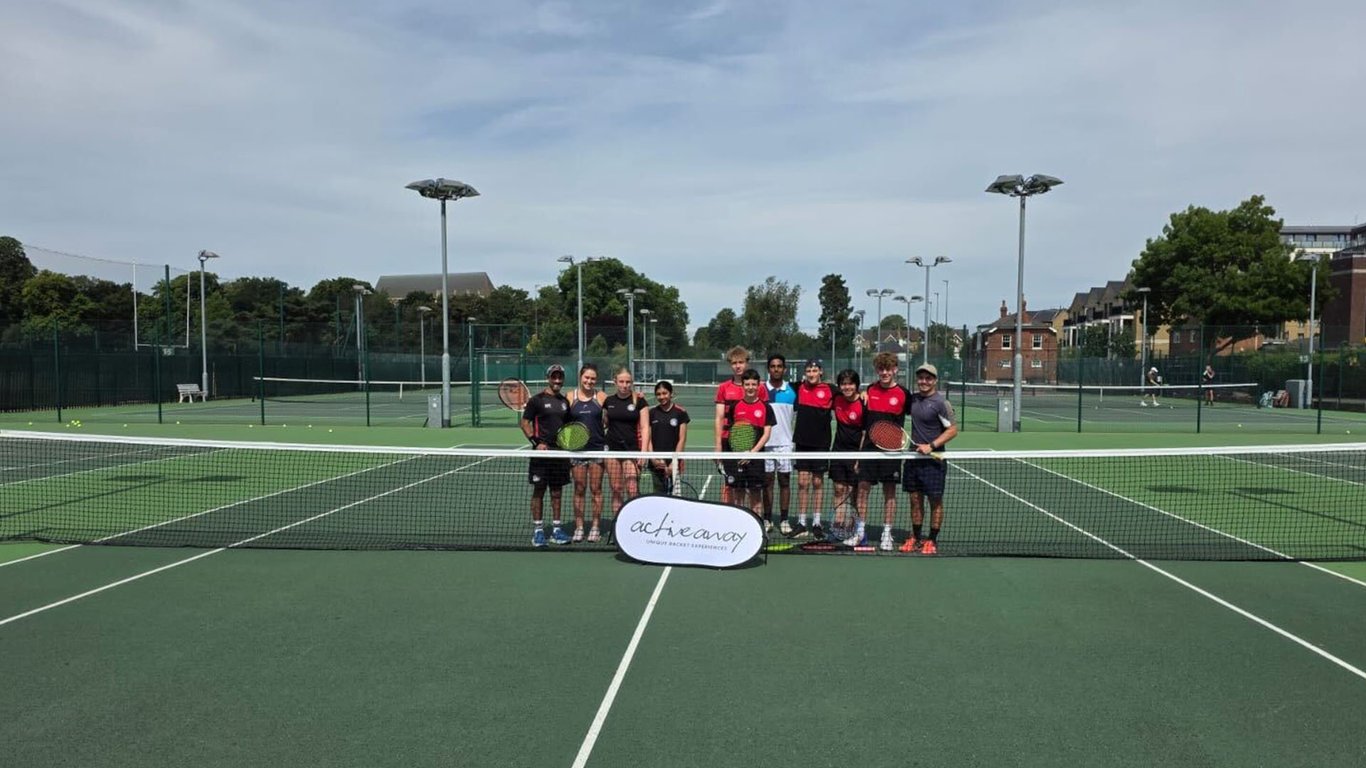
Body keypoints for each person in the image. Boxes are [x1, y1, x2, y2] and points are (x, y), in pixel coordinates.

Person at [900, 363, 958, 554]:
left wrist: (931, 446)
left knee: (935, 500)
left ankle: (932, 540)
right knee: (915, 500)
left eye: (928, 378)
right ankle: (916, 537)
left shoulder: (942, 403)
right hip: (913, 459)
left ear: (935, 380)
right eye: (921, 378)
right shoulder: (913, 399)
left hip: (934, 459)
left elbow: (952, 430)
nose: (924, 382)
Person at [859, 352, 911, 551]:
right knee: (863, 489)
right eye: (881, 369)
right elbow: (865, 426)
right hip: (869, 450)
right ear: (877, 370)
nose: (885, 373)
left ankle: (886, 533)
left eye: (888, 369)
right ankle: (860, 531)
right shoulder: (870, 390)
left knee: (889, 492)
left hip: (892, 451)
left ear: (895, 370)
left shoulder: (904, 394)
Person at [520, 364, 572, 547]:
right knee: (539, 491)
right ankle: (538, 531)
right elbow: (524, 422)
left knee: (557, 492)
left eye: (560, 377)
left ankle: (557, 530)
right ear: (548, 378)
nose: (557, 380)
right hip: (541, 455)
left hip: (560, 453)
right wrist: (536, 442)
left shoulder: (565, 402)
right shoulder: (537, 400)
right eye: (554, 377)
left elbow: (568, 427)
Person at [714, 346, 768, 505]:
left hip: (753, 445)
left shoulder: (760, 388)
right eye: (734, 363)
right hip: (729, 443)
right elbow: (719, 417)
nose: (738, 366)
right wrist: (718, 445)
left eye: (741, 362)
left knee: (754, 488)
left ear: (747, 363)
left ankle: (755, 520)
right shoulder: (724, 388)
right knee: (732, 486)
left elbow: (764, 416)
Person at [717, 369, 774, 518]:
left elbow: (767, 434)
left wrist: (752, 453)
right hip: (738, 458)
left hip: (756, 459)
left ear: (758, 386)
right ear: (742, 385)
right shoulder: (735, 406)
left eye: (753, 384)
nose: (750, 387)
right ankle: (739, 525)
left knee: (756, 495)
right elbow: (733, 431)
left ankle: (757, 526)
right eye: (747, 384)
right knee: (738, 494)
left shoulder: (766, 407)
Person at [791, 358, 834, 538]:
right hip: (802, 442)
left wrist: (864, 394)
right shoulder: (798, 387)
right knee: (802, 483)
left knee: (817, 483)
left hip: (821, 443)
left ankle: (817, 521)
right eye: (808, 371)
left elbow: (852, 393)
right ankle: (802, 522)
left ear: (820, 372)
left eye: (814, 370)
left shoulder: (831, 389)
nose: (811, 374)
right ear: (805, 373)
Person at [567, 363, 608, 543]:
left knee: (596, 489)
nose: (589, 381)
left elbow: (610, 416)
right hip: (577, 451)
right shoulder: (570, 397)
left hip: (598, 449)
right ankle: (579, 527)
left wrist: (636, 397)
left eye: (593, 378)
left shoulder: (601, 397)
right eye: (586, 377)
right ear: (580, 377)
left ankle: (596, 527)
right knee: (579, 489)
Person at [603, 368, 648, 519]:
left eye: (628, 382)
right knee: (616, 489)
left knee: (633, 489)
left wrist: (644, 452)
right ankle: (617, 523)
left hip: (631, 451)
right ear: (615, 382)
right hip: (612, 451)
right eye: (621, 381)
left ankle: (635, 522)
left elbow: (645, 428)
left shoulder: (640, 401)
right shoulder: (608, 401)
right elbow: (604, 423)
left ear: (632, 383)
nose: (625, 385)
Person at [828, 369, 865, 544]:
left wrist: (859, 458)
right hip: (838, 451)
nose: (847, 387)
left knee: (854, 493)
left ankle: (855, 529)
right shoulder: (836, 398)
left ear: (856, 385)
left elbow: (865, 433)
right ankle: (838, 526)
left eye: (850, 383)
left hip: (855, 453)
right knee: (838, 490)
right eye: (843, 384)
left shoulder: (864, 403)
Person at [762, 354, 798, 534]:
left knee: (785, 482)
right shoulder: (761, 390)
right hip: (765, 444)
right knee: (767, 482)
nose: (776, 369)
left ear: (784, 369)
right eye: (773, 366)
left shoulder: (792, 391)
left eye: (779, 366)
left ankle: (784, 520)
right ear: (768, 369)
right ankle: (767, 519)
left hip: (785, 445)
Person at [641, 380, 690, 494]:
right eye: (658, 394)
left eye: (665, 393)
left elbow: (682, 439)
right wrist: (653, 459)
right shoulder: (652, 413)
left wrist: (674, 462)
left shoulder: (680, 413)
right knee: (659, 495)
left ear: (671, 394)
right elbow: (648, 437)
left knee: (676, 496)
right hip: (656, 462)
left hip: (674, 462)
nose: (662, 396)